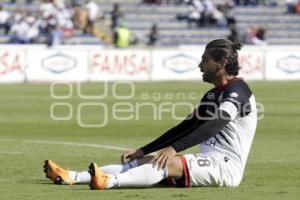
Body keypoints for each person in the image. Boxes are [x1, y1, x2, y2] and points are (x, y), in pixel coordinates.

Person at [44, 39, 257, 189]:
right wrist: (143, 149)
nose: (200, 65)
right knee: (146, 161)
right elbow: (186, 127)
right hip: (209, 159)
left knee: (164, 162)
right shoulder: (213, 95)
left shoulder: (239, 92)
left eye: (205, 59)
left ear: (220, 63)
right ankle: (72, 176)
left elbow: (215, 124)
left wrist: (174, 149)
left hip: (226, 167)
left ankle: (108, 182)